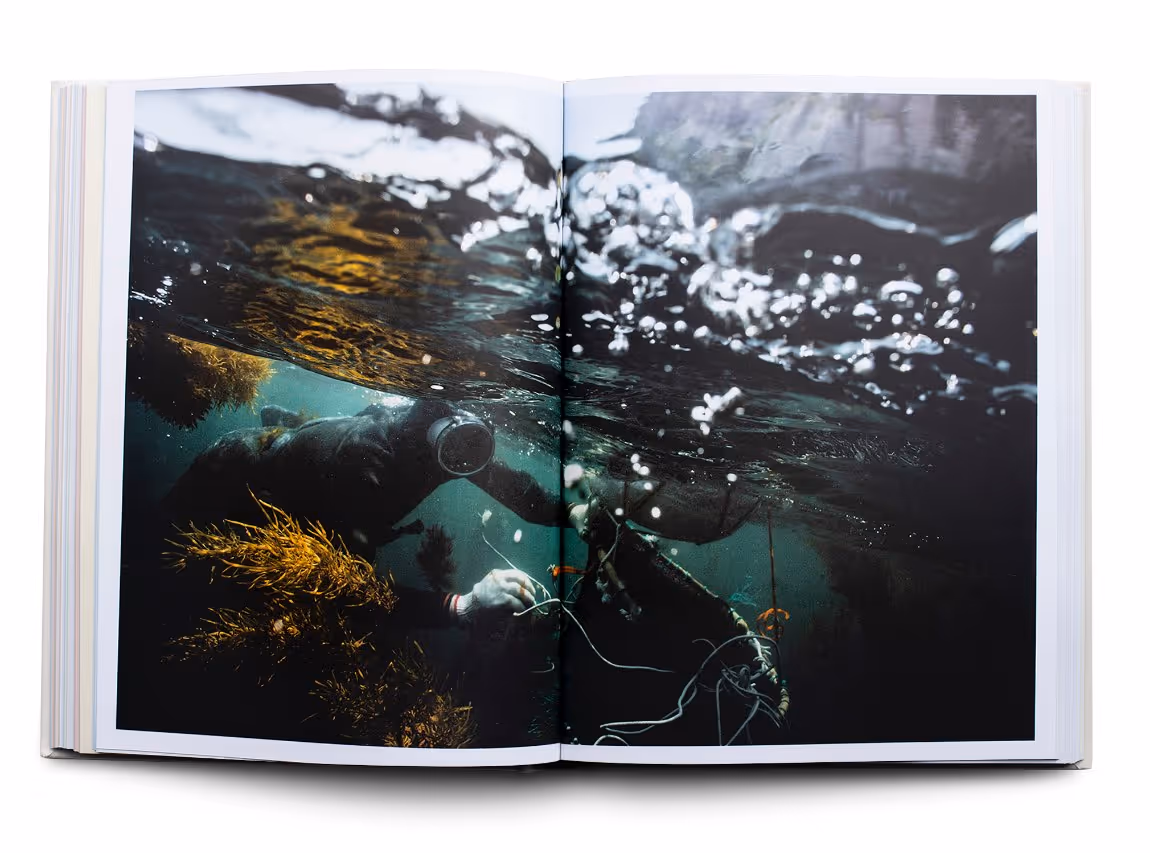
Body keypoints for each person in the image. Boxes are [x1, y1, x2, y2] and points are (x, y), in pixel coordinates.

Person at [163, 395, 555, 625]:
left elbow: (510, 485)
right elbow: (351, 590)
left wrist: (573, 512)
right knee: (167, 552)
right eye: (461, 447)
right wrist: (463, 606)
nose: (467, 460)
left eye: (476, 443)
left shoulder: (447, 440)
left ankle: (287, 427)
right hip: (231, 475)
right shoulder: (367, 465)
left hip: (306, 465)